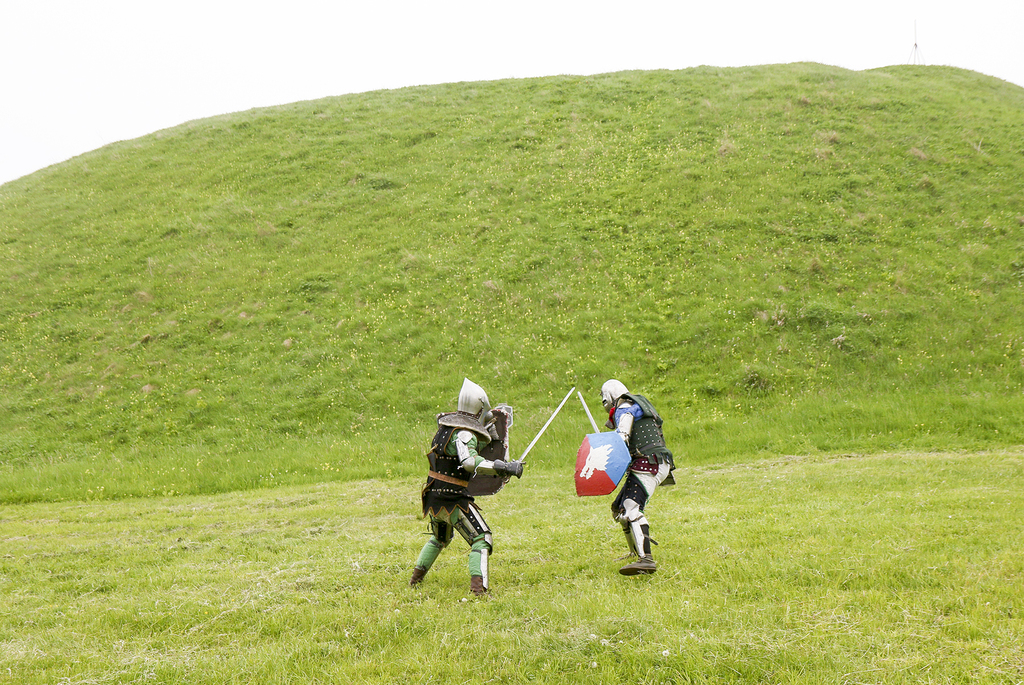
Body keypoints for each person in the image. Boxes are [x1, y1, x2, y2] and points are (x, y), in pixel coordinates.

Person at [410, 378, 524, 595]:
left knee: (440, 538)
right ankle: (478, 590)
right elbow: (469, 461)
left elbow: (459, 454)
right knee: (482, 538)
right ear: (480, 408)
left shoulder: (445, 429)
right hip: (452, 498)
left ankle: (415, 579)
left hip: (434, 495)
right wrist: (503, 467)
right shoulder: (464, 434)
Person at [601, 379, 675, 575]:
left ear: (609, 396)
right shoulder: (637, 404)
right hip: (653, 461)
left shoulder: (625, 406)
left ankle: (646, 559)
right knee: (619, 508)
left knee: (631, 507)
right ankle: (635, 552)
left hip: (649, 462)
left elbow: (622, 436)